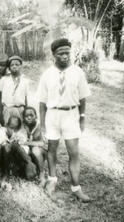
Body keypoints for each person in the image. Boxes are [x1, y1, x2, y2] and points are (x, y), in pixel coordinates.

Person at [37, 38, 92, 202]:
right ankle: (53, 179)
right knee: (51, 149)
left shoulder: (78, 72)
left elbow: (83, 98)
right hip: (52, 115)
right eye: (61, 53)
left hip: (71, 115)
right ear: (53, 54)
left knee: (73, 152)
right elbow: (41, 101)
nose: (65, 56)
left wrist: (82, 118)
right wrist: (42, 125)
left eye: (67, 53)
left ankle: (76, 187)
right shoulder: (47, 74)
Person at [0, 116, 37, 181]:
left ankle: (25, 167)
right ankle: (6, 174)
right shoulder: (1, 130)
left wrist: (18, 143)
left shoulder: (19, 135)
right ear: (6, 125)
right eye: (11, 128)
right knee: (7, 146)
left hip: (15, 158)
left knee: (29, 175)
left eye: (15, 129)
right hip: (3, 156)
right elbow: (3, 142)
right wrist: (14, 143)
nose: (12, 131)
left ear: (18, 129)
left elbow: (25, 151)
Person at [0, 56, 30, 126]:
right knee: (7, 128)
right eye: (12, 65)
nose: (14, 66)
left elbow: (26, 99)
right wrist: (0, 114)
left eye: (17, 65)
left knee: (19, 130)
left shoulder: (25, 80)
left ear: (21, 66)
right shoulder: (4, 79)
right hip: (7, 109)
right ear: (9, 67)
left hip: (20, 109)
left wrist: (26, 113)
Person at [19, 107, 47, 187]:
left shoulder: (40, 126)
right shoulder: (22, 127)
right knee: (30, 176)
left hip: (40, 153)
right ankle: (32, 167)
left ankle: (42, 173)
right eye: (26, 116)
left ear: (36, 116)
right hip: (27, 155)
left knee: (35, 149)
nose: (29, 117)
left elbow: (42, 143)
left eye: (32, 115)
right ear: (23, 118)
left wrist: (26, 142)